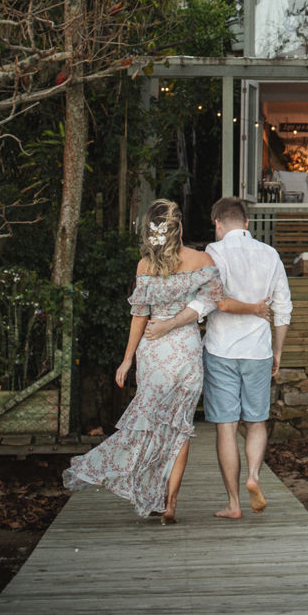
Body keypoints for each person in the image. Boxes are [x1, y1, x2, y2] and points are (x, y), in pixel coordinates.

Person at [62, 199, 260, 524]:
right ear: (179, 227)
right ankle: (169, 504)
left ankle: (149, 491)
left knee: (153, 426)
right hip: (185, 354)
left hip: (154, 352)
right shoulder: (201, 259)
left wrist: (126, 360)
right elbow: (216, 300)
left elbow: (139, 316)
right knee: (179, 431)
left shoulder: (144, 266)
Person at [144, 196, 292, 521]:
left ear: (218, 224)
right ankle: (254, 475)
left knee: (226, 427)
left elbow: (205, 304)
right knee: (256, 422)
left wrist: (167, 324)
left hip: (221, 349)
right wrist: (277, 350)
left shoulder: (212, 254)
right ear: (247, 224)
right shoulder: (270, 255)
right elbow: (283, 309)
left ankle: (234, 503)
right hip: (258, 351)